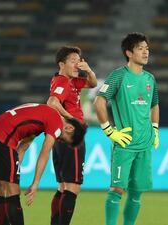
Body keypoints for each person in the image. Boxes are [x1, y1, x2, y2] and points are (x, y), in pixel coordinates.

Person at [0, 103, 86, 225]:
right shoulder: (57, 122)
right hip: (2, 140)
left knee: (0, 190)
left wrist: (14, 169)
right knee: (13, 191)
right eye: (63, 138)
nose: (59, 139)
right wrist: (35, 184)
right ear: (69, 128)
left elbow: (23, 147)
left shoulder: (43, 114)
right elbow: (44, 153)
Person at [93, 32, 159, 225]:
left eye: (147, 48)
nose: (146, 52)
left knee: (137, 193)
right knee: (117, 190)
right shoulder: (118, 76)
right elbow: (99, 101)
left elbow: (154, 105)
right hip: (125, 143)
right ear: (129, 53)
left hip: (145, 144)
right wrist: (109, 130)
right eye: (141, 48)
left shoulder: (150, 79)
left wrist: (155, 129)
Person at [46, 46, 97, 225]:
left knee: (63, 187)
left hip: (61, 137)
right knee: (73, 187)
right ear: (61, 64)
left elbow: (93, 83)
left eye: (79, 60)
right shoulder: (62, 81)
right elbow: (52, 103)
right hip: (71, 138)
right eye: (73, 61)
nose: (77, 64)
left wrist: (88, 70)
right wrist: (73, 119)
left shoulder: (71, 81)